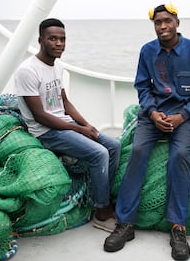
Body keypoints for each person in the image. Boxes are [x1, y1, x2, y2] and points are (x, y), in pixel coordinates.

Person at [103, 3, 190, 260]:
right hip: (153, 116)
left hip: (185, 116)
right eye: (157, 23)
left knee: (180, 156)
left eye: (167, 21)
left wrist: (181, 116)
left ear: (177, 23)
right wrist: (153, 113)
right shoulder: (148, 51)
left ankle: (178, 228)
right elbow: (142, 87)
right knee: (138, 151)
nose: (162, 26)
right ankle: (126, 223)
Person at [15, 18, 121, 232]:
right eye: (52, 38)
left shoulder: (58, 67)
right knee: (99, 153)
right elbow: (40, 116)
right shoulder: (28, 70)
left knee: (113, 146)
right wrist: (79, 130)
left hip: (64, 124)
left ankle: (100, 197)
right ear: (40, 40)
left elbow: (64, 102)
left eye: (62, 39)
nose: (58, 43)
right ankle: (102, 212)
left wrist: (87, 125)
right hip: (45, 132)